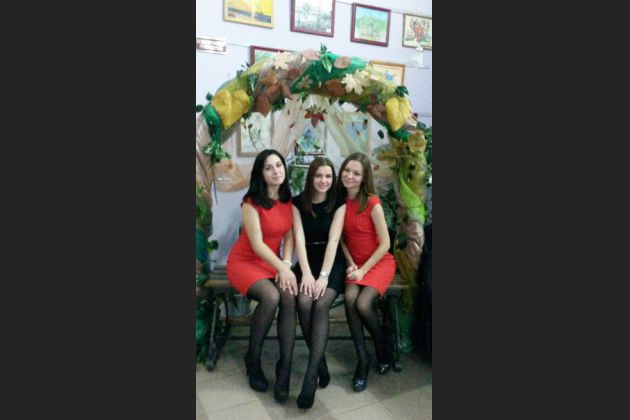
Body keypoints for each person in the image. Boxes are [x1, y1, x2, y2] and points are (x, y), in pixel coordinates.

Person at [226, 149, 298, 402]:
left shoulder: (288, 199)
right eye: (269, 168)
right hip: (245, 262)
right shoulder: (251, 202)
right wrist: (283, 268)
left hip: (273, 263)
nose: (276, 171)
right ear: (261, 174)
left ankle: (284, 366)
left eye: (279, 165)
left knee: (289, 295)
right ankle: (253, 359)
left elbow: (289, 235)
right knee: (271, 297)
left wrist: (286, 263)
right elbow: (257, 245)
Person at [291, 157, 346, 409]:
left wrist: (323, 276)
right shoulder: (297, 203)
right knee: (303, 302)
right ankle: (320, 362)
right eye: (318, 176)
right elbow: (299, 240)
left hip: (331, 262)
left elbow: (334, 241)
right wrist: (306, 273)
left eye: (328, 176)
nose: (324, 181)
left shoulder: (339, 203)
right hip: (307, 261)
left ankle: (310, 375)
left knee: (321, 304)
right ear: (310, 177)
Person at [338, 152, 396, 392]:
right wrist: (351, 263)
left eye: (356, 173)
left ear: (364, 178)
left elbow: (385, 244)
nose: (350, 176)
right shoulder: (339, 201)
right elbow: (340, 239)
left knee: (363, 304)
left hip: (378, 262)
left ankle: (382, 346)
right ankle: (363, 359)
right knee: (350, 298)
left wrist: (363, 270)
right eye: (347, 170)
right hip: (355, 264)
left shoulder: (372, 202)